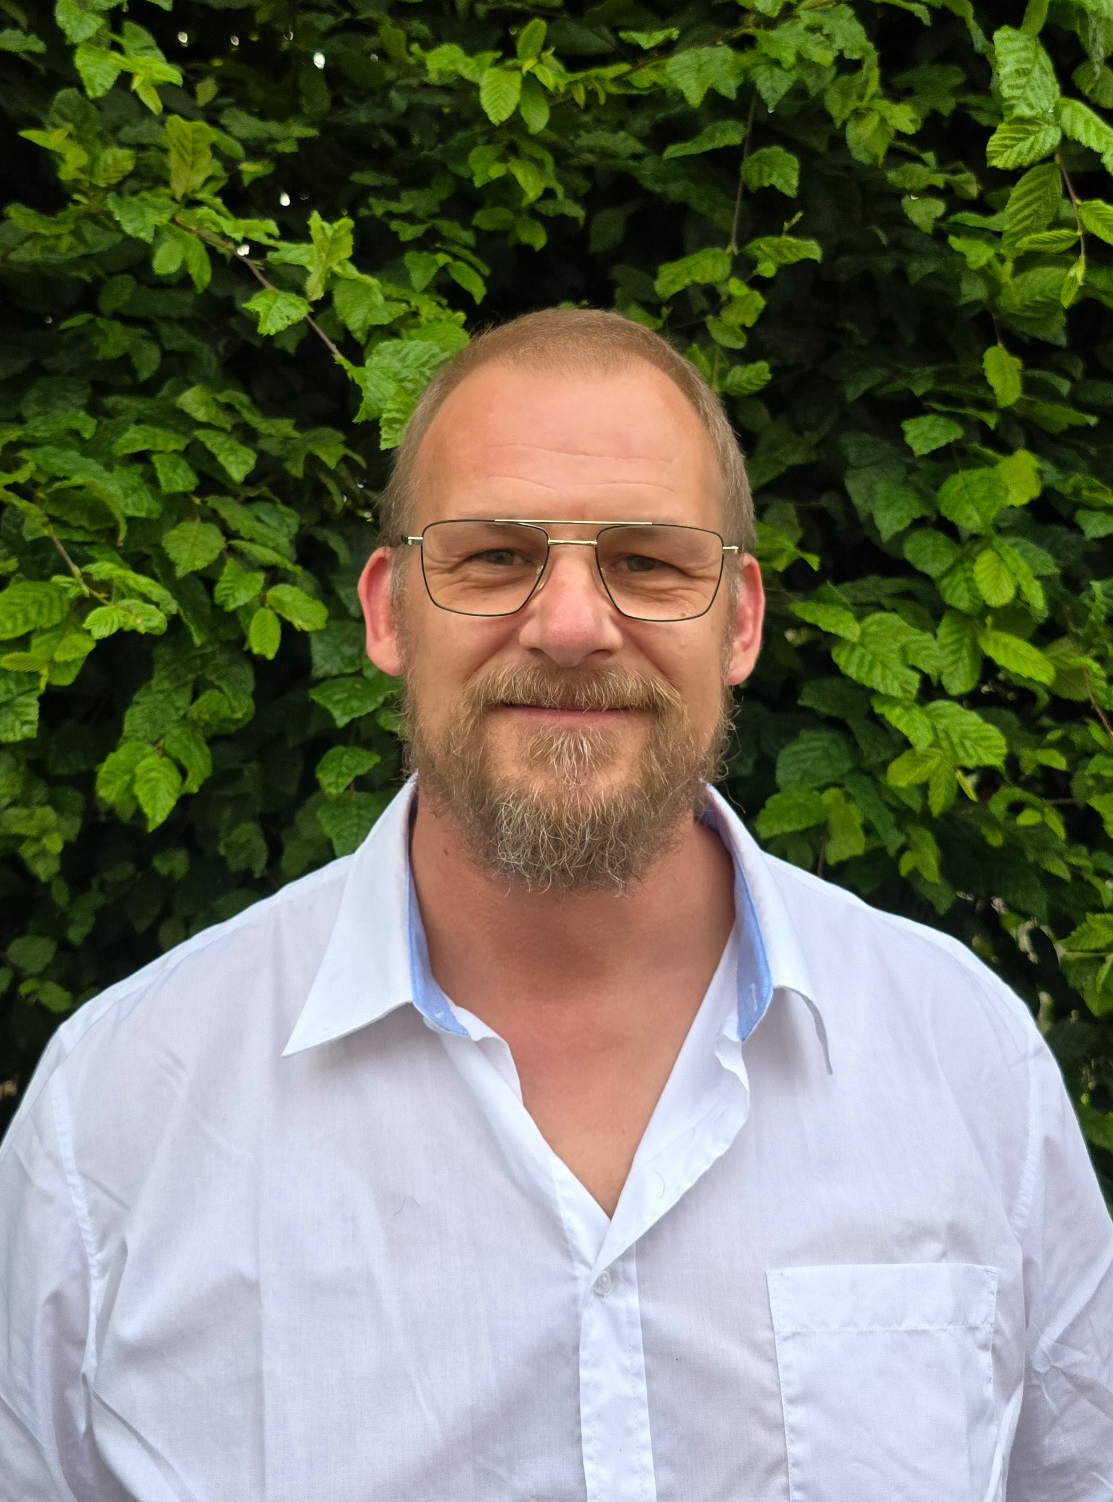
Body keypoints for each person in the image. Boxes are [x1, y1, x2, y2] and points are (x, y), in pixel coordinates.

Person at [1, 308, 1110, 1502]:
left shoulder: (966, 1061)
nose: (573, 626)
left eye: (647, 562)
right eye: (492, 556)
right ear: (388, 612)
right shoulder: (117, 1117)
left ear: (739, 620)